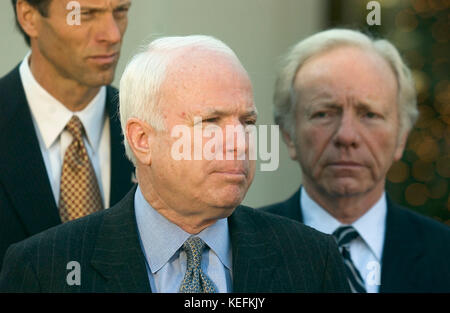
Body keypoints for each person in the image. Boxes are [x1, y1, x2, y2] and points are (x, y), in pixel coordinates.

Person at [0, 35, 350, 293]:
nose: (239, 142)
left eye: (247, 122)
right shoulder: (44, 270)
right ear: (142, 140)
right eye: (211, 121)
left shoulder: (311, 260)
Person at [260, 28, 450, 293]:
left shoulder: (444, 255)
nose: (347, 136)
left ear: (401, 138)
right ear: (289, 135)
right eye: (324, 113)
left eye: (370, 115)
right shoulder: (238, 249)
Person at [0, 0, 135, 269]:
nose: (113, 35)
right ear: (29, 16)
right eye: (85, 14)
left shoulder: (151, 130)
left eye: (120, 11)